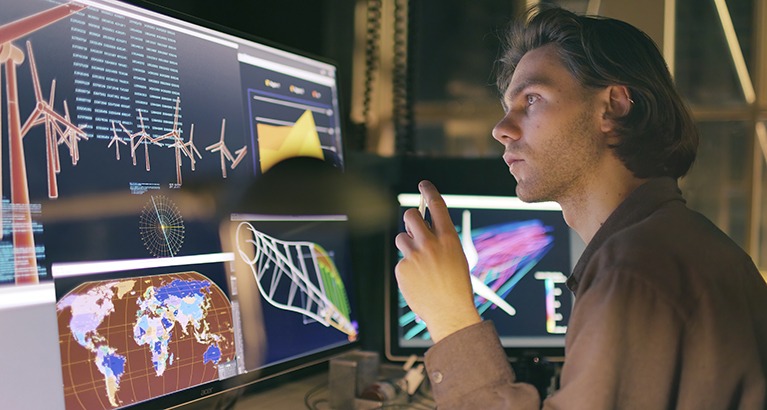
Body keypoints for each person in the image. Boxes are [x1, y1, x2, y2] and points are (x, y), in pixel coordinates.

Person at [394, 5, 767, 409]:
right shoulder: (689, 243)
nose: (501, 129)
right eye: (507, 106)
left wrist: (450, 318)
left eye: (532, 99)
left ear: (613, 107)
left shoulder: (633, 273)